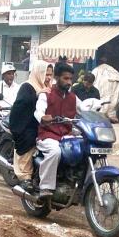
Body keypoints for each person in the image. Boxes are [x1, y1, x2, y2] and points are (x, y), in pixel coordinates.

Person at [34, 62, 82, 198]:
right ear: (57, 77)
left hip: (67, 135)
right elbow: (38, 111)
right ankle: (45, 187)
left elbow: (85, 109)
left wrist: (99, 113)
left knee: (85, 148)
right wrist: (43, 117)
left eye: (71, 79)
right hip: (48, 134)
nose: (69, 82)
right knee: (55, 151)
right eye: (65, 78)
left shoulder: (73, 97)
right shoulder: (46, 94)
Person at [10, 61, 53, 190]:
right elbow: (21, 107)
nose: (48, 78)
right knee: (29, 139)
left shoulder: (50, 88)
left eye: (50, 75)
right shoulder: (27, 87)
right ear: (38, 73)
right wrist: (38, 94)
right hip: (26, 124)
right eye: (46, 74)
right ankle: (25, 176)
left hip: (46, 124)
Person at [91, 57, 119, 123]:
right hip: (108, 93)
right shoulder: (112, 70)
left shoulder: (96, 70)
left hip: (101, 92)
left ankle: (100, 116)